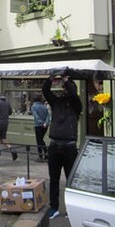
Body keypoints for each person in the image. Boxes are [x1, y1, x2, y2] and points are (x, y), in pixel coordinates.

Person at [42, 75, 82, 219]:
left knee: (70, 180)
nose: (64, 92)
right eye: (64, 89)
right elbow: (46, 92)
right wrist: (50, 79)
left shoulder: (76, 105)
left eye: (66, 89)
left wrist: (66, 81)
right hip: (54, 145)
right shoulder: (56, 102)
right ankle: (54, 208)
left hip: (69, 147)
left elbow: (73, 95)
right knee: (54, 179)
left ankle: (71, 209)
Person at [31, 93, 51, 162]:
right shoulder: (44, 106)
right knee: (41, 140)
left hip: (38, 125)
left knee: (39, 141)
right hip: (45, 125)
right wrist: (45, 123)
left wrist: (41, 123)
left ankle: (41, 156)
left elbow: (36, 116)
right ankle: (46, 154)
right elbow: (48, 116)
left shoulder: (33, 106)